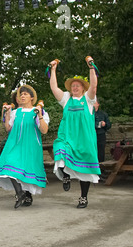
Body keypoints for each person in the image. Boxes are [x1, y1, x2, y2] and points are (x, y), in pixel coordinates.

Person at [49, 57, 100, 209]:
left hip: (84, 140)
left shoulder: (88, 100)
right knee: (59, 148)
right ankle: (65, 175)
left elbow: (94, 86)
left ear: (83, 88)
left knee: (85, 171)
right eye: (73, 86)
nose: (75, 87)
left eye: (78, 85)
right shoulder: (66, 99)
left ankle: (83, 198)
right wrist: (53, 69)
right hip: (68, 137)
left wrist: (91, 67)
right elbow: (54, 88)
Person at [0, 85, 50, 208]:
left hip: (31, 145)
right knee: (9, 167)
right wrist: (6, 114)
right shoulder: (15, 112)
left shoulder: (38, 111)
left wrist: (39, 115)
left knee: (26, 169)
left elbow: (44, 130)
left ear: (32, 98)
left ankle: (27, 195)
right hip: (15, 144)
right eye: (21, 94)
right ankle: (20, 193)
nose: (22, 96)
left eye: (25, 94)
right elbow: (8, 129)